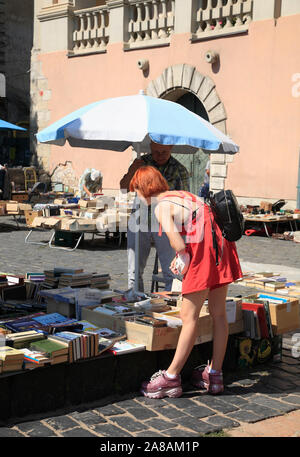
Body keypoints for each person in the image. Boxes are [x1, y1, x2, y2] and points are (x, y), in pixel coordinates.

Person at [129, 165, 243, 397]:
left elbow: (178, 244)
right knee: (219, 314)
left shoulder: (160, 207)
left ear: (142, 188)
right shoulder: (185, 194)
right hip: (222, 245)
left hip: (203, 251)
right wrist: (183, 256)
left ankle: (171, 377)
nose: (136, 196)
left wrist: (182, 256)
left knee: (188, 317)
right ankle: (215, 375)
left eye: (136, 191)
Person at [120, 141, 190, 292]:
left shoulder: (179, 169)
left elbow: (184, 199)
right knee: (134, 270)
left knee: (171, 270)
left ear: (171, 147)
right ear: (150, 147)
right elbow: (124, 188)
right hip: (139, 220)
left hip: (166, 224)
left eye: (164, 152)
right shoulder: (141, 163)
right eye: (156, 152)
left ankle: (173, 303)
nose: (159, 156)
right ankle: (134, 299)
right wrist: (132, 170)